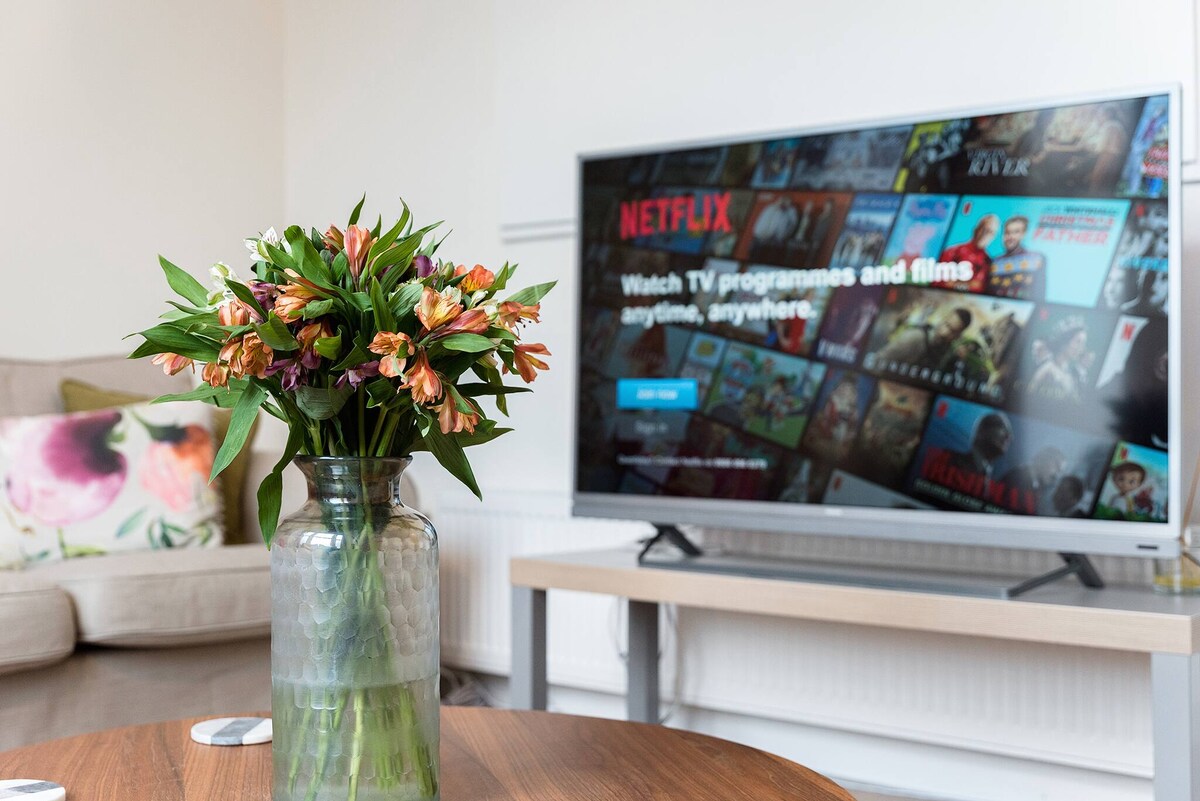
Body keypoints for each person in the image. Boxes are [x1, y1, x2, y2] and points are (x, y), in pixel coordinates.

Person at [873, 307, 972, 370]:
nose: (945, 333)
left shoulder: (946, 350)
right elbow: (877, 361)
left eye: (953, 332)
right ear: (943, 319)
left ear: (958, 336)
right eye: (946, 324)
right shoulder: (915, 337)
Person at [945, 412, 1013, 498]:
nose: (1009, 437)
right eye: (1003, 428)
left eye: (1009, 433)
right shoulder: (949, 461)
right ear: (982, 431)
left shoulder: (990, 480)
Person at [1027, 319, 1090, 404]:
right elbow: (1029, 393)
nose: (1080, 348)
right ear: (1065, 340)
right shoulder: (1047, 368)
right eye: (1078, 342)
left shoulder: (1071, 374)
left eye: (1082, 344)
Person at [987, 216, 1046, 301]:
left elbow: (1040, 295)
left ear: (1023, 234)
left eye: (1015, 232)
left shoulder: (1036, 259)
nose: (1010, 236)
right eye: (1007, 232)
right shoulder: (994, 262)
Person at [936, 214, 999, 292]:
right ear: (975, 230)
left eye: (990, 232)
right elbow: (939, 283)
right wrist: (970, 284)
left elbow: (980, 289)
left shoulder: (989, 263)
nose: (985, 235)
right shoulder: (952, 252)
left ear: (993, 237)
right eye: (983, 229)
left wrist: (956, 283)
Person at [999, 446, 1066, 515]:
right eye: (1056, 466)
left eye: (1060, 471)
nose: (1056, 475)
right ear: (1044, 459)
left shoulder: (1037, 487)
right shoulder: (1017, 478)